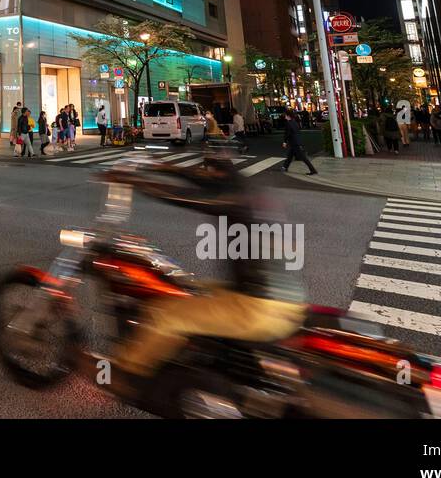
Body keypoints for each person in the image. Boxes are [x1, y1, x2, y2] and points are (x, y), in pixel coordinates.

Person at [111, 147, 307, 396]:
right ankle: (202, 354)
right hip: (273, 296)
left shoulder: (233, 199)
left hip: (260, 306)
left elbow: (183, 196)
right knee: (189, 289)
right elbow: (195, 179)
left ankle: (125, 376)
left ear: (217, 174)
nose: (202, 173)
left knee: (165, 316)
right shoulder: (246, 188)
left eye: (207, 170)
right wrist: (163, 167)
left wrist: (133, 181)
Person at [280, 109, 318, 175]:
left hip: (294, 143)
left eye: (285, 115)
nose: (284, 116)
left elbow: (287, 133)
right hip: (297, 141)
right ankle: (285, 167)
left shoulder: (288, 123)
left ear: (288, 115)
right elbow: (297, 131)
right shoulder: (295, 122)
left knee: (303, 157)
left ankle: (313, 170)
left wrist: (285, 142)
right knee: (290, 155)